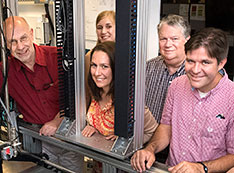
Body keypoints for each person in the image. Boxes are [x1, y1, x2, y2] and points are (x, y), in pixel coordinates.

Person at [131, 27, 234, 173]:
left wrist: (201, 167)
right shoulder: (177, 85)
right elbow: (166, 127)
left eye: (205, 62)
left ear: (221, 63)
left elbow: (233, 155)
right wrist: (150, 149)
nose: (196, 70)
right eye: (190, 61)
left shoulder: (231, 98)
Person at [2, 16, 82, 172]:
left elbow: (81, 97)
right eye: (13, 41)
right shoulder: (5, 70)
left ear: (31, 34)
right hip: (38, 140)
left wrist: (57, 121)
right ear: (6, 44)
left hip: (70, 138)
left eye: (23, 38)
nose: (20, 46)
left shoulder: (58, 57)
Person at [82, 41, 157, 144]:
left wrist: (125, 141)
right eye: (94, 65)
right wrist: (92, 127)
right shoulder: (95, 91)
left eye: (104, 66)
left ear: (117, 68)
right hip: (98, 157)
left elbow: (152, 131)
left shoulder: (130, 101)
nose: (97, 73)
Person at [145, 14, 191, 123]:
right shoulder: (148, 68)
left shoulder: (195, 73)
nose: (168, 44)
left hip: (180, 139)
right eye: (163, 39)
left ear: (187, 40)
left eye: (174, 39)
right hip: (147, 137)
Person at [85, 10, 115, 107]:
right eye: (99, 27)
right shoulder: (89, 57)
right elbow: (87, 92)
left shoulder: (127, 56)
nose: (103, 31)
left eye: (108, 26)